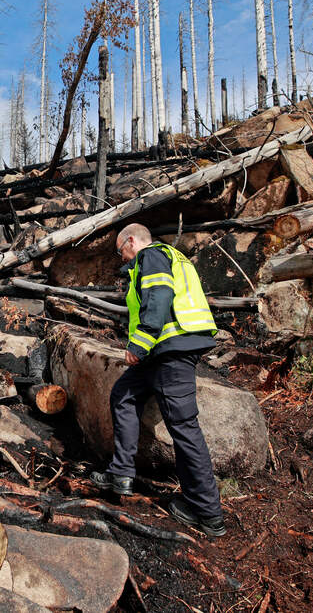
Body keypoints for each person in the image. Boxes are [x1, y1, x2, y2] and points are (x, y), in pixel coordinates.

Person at [90, 223, 226, 537]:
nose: (121, 258)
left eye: (121, 250)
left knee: (184, 428)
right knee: (123, 394)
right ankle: (121, 473)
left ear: (132, 241)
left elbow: (160, 298)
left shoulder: (151, 256)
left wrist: (140, 343)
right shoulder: (171, 257)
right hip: (163, 351)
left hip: (171, 349)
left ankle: (207, 512)